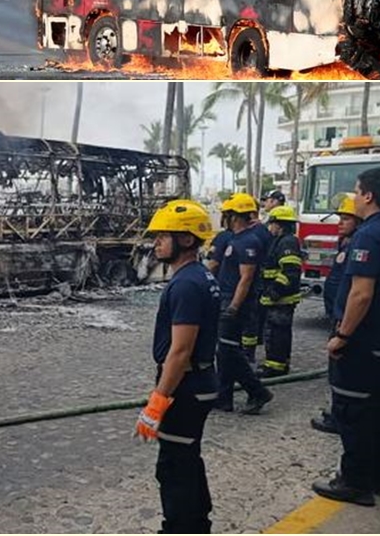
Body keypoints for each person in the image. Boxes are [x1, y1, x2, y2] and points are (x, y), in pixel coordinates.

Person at [134, 200, 221, 535]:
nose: (156, 243)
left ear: (186, 239)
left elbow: (180, 351)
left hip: (186, 386)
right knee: (187, 457)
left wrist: (157, 402)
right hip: (200, 380)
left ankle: (181, 528)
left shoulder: (185, 284)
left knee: (173, 466)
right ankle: (198, 524)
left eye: (162, 236)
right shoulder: (201, 276)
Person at [312, 166, 380, 506]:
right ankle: (379, 477)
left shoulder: (370, 235)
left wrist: (342, 336)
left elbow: (361, 294)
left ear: (369, 196)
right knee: (377, 411)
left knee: (353, 412)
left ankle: (355, 482)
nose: (355, 198)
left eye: (357, 192)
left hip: (363, 342)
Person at [212, 192, 271, 415]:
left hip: (236, 302)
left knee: (229, 350)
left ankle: (257, 391)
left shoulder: (248, 241)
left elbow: (246, 278)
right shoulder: (235, 239)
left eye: (226, 214)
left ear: (235, 216)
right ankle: (224, 397)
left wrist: (234, 306)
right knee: (225, 350)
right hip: (227, 298)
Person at [313, 193, 360, 434]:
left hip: (343, 319)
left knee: (341, 371)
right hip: (336, 313)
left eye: (346, 218)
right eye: (340, 217)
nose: (340, 222)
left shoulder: (356, 246)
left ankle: (339, 418)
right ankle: (338, 412)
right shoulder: (345, 243)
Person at [256, 205, 302, 377]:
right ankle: (279, 363)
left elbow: (290, 271)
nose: (270, 227)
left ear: (280, 225)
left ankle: (275, 366)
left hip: (281, 298)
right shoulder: (281, 240)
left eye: (272, 224)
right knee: (277, 332)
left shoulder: (287, 242)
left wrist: (275, 290)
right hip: (279, 297)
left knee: (276, 333)